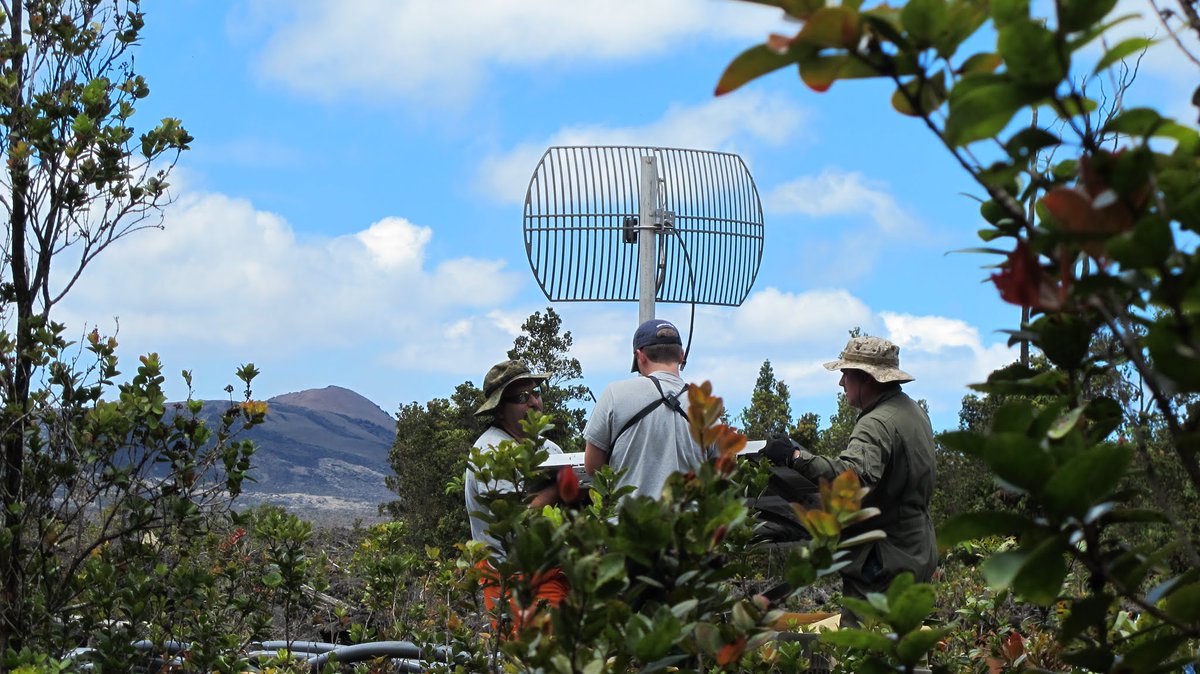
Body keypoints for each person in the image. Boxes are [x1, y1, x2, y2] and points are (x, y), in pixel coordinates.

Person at [763, 336, 937, 618]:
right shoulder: (912, 411)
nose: (841, 383)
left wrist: (795, 458)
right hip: (914, 551)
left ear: (867, 378)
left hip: (882, 560)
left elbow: (855, 478)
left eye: (845, 374)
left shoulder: (876, 422)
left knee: (864, 651)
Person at [464, 359, 568, 629]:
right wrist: (559, 488)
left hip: (556, 576)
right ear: (500, 410)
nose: (534, 402)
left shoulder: (550, 449)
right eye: (522, 397)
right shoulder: (490, 451)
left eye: (536, 392)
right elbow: (515, 524)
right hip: (512, 582)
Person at [583, 318, 712, 497]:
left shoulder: (615, 394)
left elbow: (592, 467)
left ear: (640, 356)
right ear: (681, 355)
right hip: (689, 522)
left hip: (629, 520)